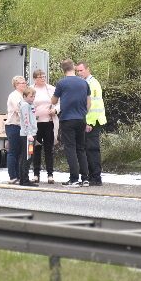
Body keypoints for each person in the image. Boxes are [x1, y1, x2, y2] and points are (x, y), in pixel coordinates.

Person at [51, 59, 91, 187]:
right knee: (81, 148)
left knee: (70, 148)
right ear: (73, 67)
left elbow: (53, 100)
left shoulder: (61, 83)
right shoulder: (84, 82)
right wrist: (84, 112)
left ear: (63, 70)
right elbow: (89, 102)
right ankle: (85, 178)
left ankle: (74, 178)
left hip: (67, 119)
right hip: (81, 119)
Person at [77, 61, 107, 186]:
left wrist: (88, 122)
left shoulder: (92, 84)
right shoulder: (87, 82)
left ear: (87, 69)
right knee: (88, 149)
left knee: (92, 150)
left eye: (81, 70)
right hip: (91, 120)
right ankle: (91, 176)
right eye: (77, 71)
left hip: (93, 121)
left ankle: (96, 177)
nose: (79, 73)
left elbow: (93, 105)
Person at [31, 69, 59, 184]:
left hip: (48, 122)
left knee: (49, 149)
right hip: (35, 123)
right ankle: (36, 174)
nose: (43, 78)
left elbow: (59, 102)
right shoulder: (31, 89)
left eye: (44, 76)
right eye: (40, 77)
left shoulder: (51, 89)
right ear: (35, 79)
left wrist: (55, 110)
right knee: (36, 149)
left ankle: (50, 174)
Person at [5, 75, 28, 184]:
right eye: (21, 83)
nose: (24, 84)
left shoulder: (24, 96)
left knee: (20, 152)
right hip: (13, 125)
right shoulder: (14, 96)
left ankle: (19, 175)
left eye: (25, 82)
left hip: (22, 126)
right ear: (16, 85)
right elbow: (19, 109)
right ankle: (13, 176)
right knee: (13, 151)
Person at [18, 87, 38, 187]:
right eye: (31, 96)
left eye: (34, 96)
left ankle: (23, 179)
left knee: (27, 157)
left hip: (30, 134)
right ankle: (25, 180)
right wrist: (29, 133)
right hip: (28, 136)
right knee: (28, 157)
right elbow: (26, 120)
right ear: (25, 96)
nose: (33, 98)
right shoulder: (25, 105)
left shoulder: (30, 105)